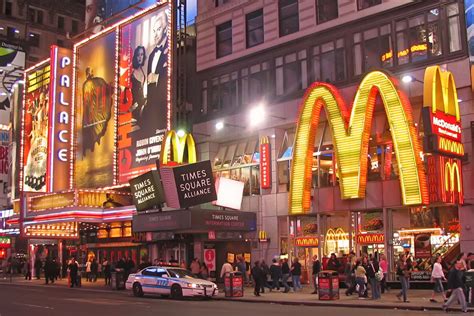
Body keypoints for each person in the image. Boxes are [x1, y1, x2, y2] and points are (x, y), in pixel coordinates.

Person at [144, 11, 168, 132]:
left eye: (158, 29)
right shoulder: (152, 55)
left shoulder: (173, 47)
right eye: (153, 31)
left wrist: (157, 77)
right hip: (152, 111)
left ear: (165, 29)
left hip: (166, 110)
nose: (155, 34)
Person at [130, 45, 147, 117]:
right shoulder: (131, 70)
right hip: (133, 105)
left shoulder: (143, 71)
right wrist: (130, 107)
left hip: (142, 104)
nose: (140, 57)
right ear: (135, 56)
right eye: (138, 55)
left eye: (142, 54)